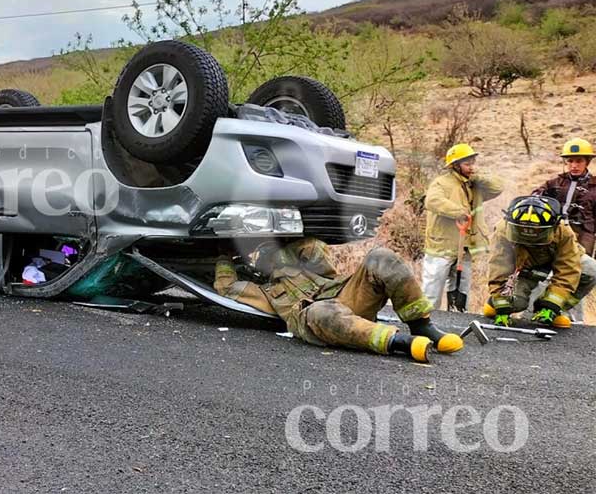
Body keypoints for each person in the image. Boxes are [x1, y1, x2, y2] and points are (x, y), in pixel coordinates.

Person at [214, 238, 464, 363]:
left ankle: (421, 325)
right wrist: (225, 255)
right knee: (321, 311)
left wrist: (279, 247)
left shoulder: (310, 264)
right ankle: (400, 342)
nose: (271, 258)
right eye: (265, 257)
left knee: (381, 257)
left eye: (273, 253)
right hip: (314, 316)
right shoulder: (264, 290)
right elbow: (226, 287)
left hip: (345, 296)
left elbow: (314, 245)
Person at [482, 195, 596, 329]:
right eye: (523, 231)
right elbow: (499, 266)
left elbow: (568, 269)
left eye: (537, 232)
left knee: (590, 269)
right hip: (525, 267)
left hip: (554, 259)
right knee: (515, 303)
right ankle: (494, 303)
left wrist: (552, 304)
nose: (530, 237)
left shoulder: (563, 231)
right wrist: (500, 301)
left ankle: (553, 310)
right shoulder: (504, 229)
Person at [422, 143, 504, 312]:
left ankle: (457, 317)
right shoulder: (441, 183)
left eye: (473, 163)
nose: (472, 167)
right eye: (467, 164)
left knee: (461, 287)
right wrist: (458, 212)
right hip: (442, 246)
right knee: (432, 289)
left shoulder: (474, 184)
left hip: (465, 245)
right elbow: (432, 201)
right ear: (455, 165)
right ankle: (426, 321)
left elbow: (498, 187)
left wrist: (477, 177)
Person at [532, 138, 596, 256]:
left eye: (579, 161)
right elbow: (536, 195)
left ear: (587, 162)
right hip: (556, 229)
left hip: (584, 232)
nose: (574, 166)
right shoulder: (555, 182)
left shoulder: (594, 186)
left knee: (583, 265)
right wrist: (538, 197)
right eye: (570, 161)